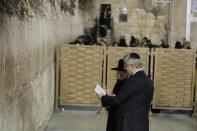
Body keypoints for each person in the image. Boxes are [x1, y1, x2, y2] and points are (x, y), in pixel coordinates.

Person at [97, 53, 154, 131]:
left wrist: (103, 97)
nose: (124, 68)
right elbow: (132, 100)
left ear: (132, 66)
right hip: (142, 124)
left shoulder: (132, 81)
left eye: (126, 66)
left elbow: (117, 101)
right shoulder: (149, 81)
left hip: (128, 124)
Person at [105, 59, 127, 131]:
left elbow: (120, 98)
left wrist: (110, 96)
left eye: (121, 72)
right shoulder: (119, 82)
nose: (119, 73)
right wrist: (111, 94)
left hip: (118, 113)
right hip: (114, 111)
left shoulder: (126, 83)